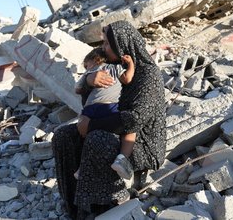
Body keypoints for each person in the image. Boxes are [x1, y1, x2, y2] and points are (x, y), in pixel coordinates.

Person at [52, 20, 167, 219]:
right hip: (113, 127)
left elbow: (135, 120)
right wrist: (89, 81)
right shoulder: (112, 67)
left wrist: (92, 125)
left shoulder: (148, 75)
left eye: (106, 43)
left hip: (139, 142)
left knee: (98, 138)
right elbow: (90, 103)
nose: (102, 48)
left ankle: (103, 205)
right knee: (63, 136)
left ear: (120, 45)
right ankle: (73, 203)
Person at [74, 47, 136, 180]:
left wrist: (88, 80)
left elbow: (78, 89)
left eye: (87, 65)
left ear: (96, 60)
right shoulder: (114, 68)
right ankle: (122, 159)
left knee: (86, 138)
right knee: (130, 128)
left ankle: (81, 168)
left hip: (89, 110)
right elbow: (128, 79)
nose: (86, 68)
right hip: (109, 106)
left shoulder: (88, 74)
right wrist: (131, 64)